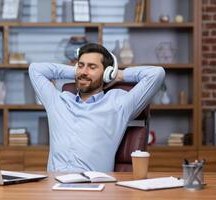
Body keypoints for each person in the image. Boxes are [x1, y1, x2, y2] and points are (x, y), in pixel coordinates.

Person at [29, 43, 165, 172]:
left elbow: (156, 74)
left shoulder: (119, 104)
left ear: (107, 73)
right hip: (54, 187)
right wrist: (78, 73)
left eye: (92, 67)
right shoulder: (58, 101)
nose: (84, 71)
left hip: (94, 188)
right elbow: (35, 69)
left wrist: (118, 75)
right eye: (81, 65)